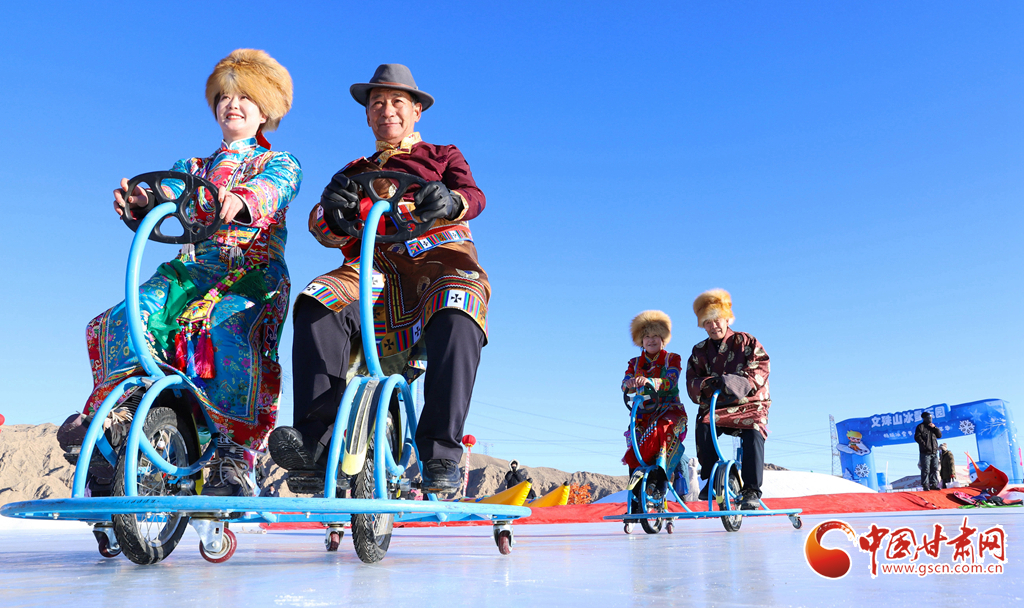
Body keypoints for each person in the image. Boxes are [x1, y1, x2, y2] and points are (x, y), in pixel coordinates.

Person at [58, 49, 302, 497]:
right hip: (192, 270)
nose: (232, 104)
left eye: (245, 97)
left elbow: (275, 189)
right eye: (224, 96)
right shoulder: (192, 167)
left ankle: (233, 452)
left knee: (221, 326)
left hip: (252, 269)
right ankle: (121, 416)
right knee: (127, 315)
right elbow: (166, 190)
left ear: (265, 110)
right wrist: (141, 200)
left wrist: (243, 200)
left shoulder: (278, 162)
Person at [269, 64, 488, 493]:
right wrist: (332, 211)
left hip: (437, 263)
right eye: (377, 103)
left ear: (416, 111)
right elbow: (322, 228)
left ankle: (440, 453)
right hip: (372, 270)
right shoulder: (354, 170)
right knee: (317, 300)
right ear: (368, 115)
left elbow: (474, 196)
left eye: (397, 102)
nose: (387, 110)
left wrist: (450, 200)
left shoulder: (443, 155)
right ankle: (315, 443)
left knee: (460, 305)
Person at [684, 289, 770, 510]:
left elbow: (760, 368)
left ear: (727, 319)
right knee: (704, 423)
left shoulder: (746, 341)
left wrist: (732, 382)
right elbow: (692, 381)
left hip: (750, 405)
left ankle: (751, 490)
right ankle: (714, 479)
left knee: (753, 431)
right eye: (707, 322)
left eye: (717, 320)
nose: (713, 326)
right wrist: (709, 383)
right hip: (717, 406)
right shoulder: (699, 351)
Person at [621, 311, 688, 512]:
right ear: (641, 341)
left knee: (662, 428)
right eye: (647, 336)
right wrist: (629, 384)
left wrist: (651, 381)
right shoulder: (634, 363)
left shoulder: (672, 359)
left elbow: (671, 380)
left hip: (670, 412)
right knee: (635, 441)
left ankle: (659, 487)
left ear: (663, 339)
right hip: (643, 415)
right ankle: (636, 499)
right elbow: (624, 383)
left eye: (655, 336)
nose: (651, 340)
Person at [915, 412, 942, 490]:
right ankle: (925, 485)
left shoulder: (933, 427)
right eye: (928, 418)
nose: (930, 419)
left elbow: (939, 435)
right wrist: (924, 445)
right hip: (925, 452)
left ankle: (934, 484)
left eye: (931, 418)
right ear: (924, 418)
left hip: (934, 452)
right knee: (926, 469)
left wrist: (935, 428)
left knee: (934, 468)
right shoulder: (920, 427)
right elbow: (917, 437)